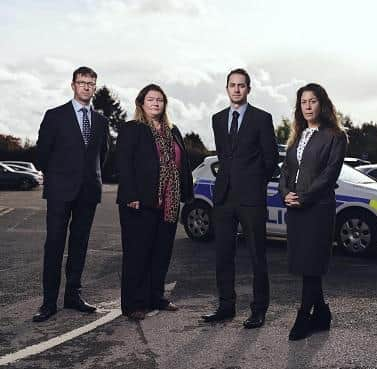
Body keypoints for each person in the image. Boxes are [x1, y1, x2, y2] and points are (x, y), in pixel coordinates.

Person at [201, 68, 279, 328]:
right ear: (227, 89)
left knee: (257, 256)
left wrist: (255, 184)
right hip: (223, 197)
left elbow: (270, 160)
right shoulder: (218, 119)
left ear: (248, 89)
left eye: (241, 85)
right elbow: (225, 156)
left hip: (251, 199)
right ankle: (226, 306)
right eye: (232, 85)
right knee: (223, 254)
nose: (237, 89)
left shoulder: (261, 118)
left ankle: (258, 309)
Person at [33, 66, 109, 322]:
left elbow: (103, 155)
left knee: (79, 245)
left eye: (91, 83)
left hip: (88, 191)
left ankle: (73, 296)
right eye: (82, 82)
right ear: (73, 85)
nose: (86, 87)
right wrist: (57, 177)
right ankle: (48, 302)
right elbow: (42, 154)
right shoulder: (55, 116)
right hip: (59, 192)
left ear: (94, 87)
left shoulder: (101, 121)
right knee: (54, 244)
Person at [116, 84, 193, 320]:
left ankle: (156, 297)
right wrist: (131, 196)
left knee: (161, 253)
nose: (156, 103)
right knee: (137, 254)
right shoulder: (132, 129)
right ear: (141, 103)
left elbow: (183, 163)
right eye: (151, 99)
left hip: (168, 203)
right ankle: (133, 304)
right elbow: (124, 164)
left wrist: (186, 195)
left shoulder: (173, 130)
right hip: (139, 202)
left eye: (160, 100)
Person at [279, 83, 347, 340]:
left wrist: (304, 198)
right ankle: (322, 313)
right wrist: (285, 193)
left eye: (312, 101)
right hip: (295, 208)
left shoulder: (335, 136)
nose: (307, 106)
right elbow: (285, 171)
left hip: (317, 209)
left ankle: (304, 316)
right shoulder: (296, 135)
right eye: (303, 102)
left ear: (323, 104)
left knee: (311, 263)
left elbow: (330, 175)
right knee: (306, 265)